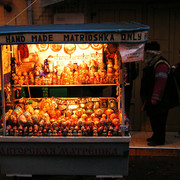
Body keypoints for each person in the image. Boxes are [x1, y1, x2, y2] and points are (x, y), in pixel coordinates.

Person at [140, 41, 170, 146]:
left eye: (146, 54)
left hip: (159, 100)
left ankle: (159, 139)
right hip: (151, 98)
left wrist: (155, 97)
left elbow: (161, 82)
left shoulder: (160, 64)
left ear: (152, 54)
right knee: (153, 118)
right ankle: (155, 135)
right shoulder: (152, 63)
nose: (145, 56)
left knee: (159, 119)